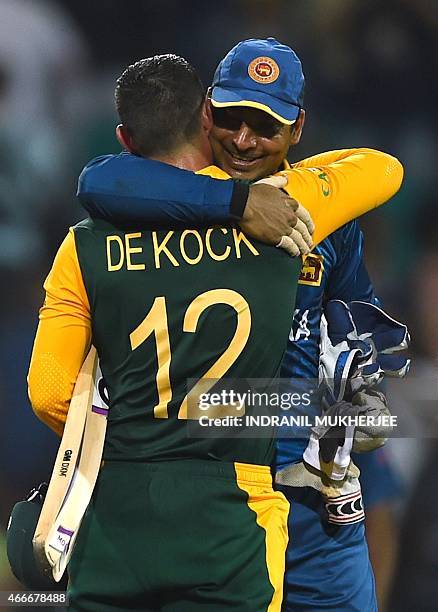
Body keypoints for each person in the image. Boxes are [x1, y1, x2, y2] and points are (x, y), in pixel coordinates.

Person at [27, 50, 396, 611]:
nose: (245, 140)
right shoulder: (282, 205)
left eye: (266, 125)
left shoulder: (323, 213)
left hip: (309, 492)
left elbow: (361, 338)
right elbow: (103, 179)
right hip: (229, 490)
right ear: (205, 114)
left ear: (298, 126)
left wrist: (363, 395)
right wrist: (239, 203)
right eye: (231, 119)